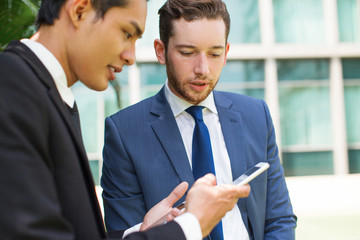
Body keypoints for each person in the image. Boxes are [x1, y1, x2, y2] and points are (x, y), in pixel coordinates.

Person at [0, 0, 251, 239]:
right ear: (79, 11)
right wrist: (190, 226)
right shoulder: (11, 85)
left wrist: (144, 231)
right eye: (127, 33)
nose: (131, 56)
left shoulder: (45, 93)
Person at [101, 0, 297, 239]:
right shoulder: (124, 132)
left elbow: (279, 219)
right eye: (188, 52)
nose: (203, 68)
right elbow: (125, 234)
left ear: (225, 53)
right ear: (161, 51)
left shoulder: (256, 115)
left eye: (214, 53)